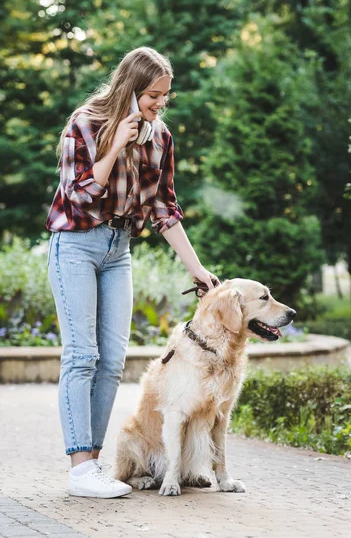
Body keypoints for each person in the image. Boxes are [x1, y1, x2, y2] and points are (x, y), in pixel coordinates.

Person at [46, 46, 219, 498]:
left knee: (112, 360)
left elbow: (164, 207)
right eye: (152, 96)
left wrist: (197, 269)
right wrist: (118, 143)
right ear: (131, 88)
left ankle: (94, 465)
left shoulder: (159, 137)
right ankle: (80, 467)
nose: (160, 104)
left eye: (165, 96)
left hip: (118, 250)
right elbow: (78, 197)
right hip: (76, 245)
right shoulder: (85, 122)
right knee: (82, 355)